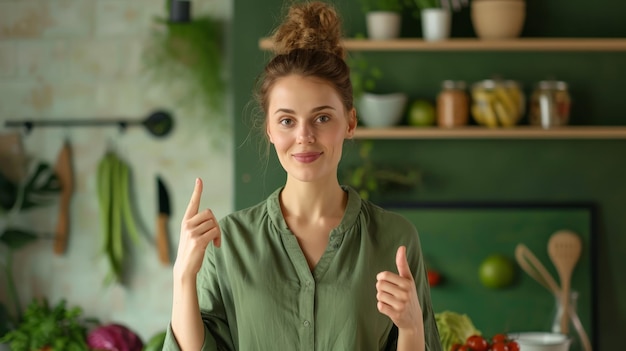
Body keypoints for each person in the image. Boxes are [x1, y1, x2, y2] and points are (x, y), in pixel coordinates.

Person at [163, 1, 442, 350]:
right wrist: (183, 277)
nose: (304, 136)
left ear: (350, 122)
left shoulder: (394, 239)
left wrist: (412, 329)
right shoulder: (229, 243)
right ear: (268, 129)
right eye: (287, 120)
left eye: (322, 117)